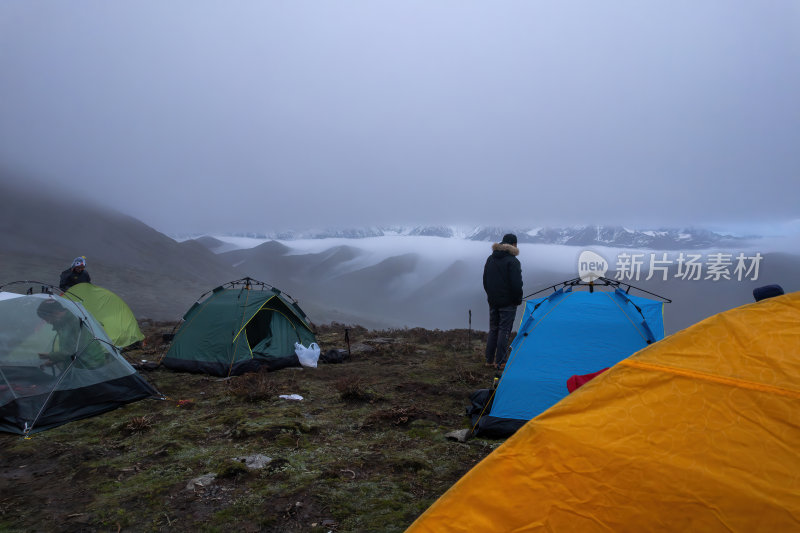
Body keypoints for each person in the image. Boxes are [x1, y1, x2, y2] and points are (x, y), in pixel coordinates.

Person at [482, 233, 523, 370]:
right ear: (514, 244)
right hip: (508, 303)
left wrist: (490, 296)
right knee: (504, 330)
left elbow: (485, 281)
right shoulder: (513, 261)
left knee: (494, 329)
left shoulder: (490, 258)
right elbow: (517, 285)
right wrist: (517, 300)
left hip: (493, 301)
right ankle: (500, 361)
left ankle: (489, 360)